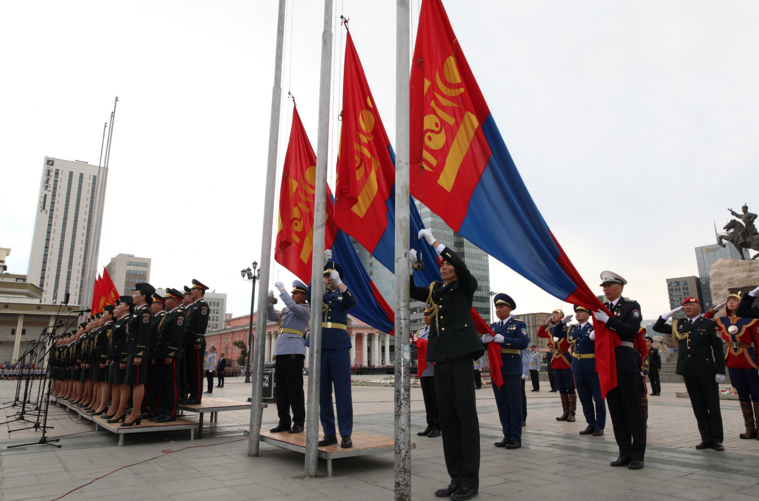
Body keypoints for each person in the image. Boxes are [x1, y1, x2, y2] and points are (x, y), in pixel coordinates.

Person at [410, 229, 484, 501]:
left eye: (448, 264)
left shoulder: (465, 286)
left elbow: (460, 266)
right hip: (440, 358)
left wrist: (435, 243)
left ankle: (470, 480)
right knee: (449, 421)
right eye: (442, 265)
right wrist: (407, 268)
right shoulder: (437, 291)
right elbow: (410, 291)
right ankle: (455, 478)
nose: (444, 267)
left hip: (461, 356)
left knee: (466, 418)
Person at [654, 297, 725, 451]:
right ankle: (706, 438)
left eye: (691, 304)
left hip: (706, 370)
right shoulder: (679, 325)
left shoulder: (709, 325)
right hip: (688, 370)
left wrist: (720, 371)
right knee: (698, 407)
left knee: (713, 406)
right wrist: (668, 314)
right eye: (685, 305)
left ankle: (717, 439)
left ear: (700, 308)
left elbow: (718, 350)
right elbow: (658, 327)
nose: (687, 307)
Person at [593, 271, 645, 469]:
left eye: (610, 286)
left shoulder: (631, 306)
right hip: (607, 362)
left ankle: (637, 454)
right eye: (604, 287)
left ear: (621, 287)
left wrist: (608, 321)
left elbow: (631, 329)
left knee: (632, 409)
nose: (606, 289)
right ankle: (624, 452)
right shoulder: (601, 308)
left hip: (624, 359)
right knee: (616, 410)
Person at [309, 252, 357, 448]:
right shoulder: (318, 294)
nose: (329, 277)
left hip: (338, 346)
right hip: (320, 347)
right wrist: (318, 268)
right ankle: (329, 433)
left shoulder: (342, 294)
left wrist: (341, 284)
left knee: (343, 392)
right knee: (322, 393)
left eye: (332, 275)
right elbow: (311, 294)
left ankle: (346, 433)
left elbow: (352, 302)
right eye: (326, 274)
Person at [706, 293, 759, 438]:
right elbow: (704, 320)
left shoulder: (750, 320)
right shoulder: (722, 320)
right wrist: (714, 310)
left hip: (748, 357)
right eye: (728, 300)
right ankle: (750, 429)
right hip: (732, 358)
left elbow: (757, 341)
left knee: (756, 392)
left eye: (735, 300)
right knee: (742, 393)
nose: (731, 302)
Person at [486, 293, 529, 449]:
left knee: (514, 403)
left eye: (501, 307)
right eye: (496, 307)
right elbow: (484, 344)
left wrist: (504, 340)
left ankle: (516, 437)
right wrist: (483, 341)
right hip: (497, 369)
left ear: (509, 308)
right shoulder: (493, 327)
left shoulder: (518, 324)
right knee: (502, 403)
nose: (498, 310)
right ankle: (506, 435)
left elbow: (524, 342)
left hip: (511, 368)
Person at [267, 280, 310, 434]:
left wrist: (282, 290)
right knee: (281, 390)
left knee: (294, 389)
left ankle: (298, 422)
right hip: (281, 352)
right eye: (291, 293)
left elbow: (292, 305)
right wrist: (269, 302)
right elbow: (272, 316)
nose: (292, 295)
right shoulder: (287, 310)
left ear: (303, 296)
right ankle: (284, 421)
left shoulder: (305, 309)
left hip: (294, 351)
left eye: (295, 293)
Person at [567, 305, 605, 436]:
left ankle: (599, 425)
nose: (578, 314)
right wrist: (561, 322)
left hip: (592, 367)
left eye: (581, 311)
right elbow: (555, 334)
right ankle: (591, 423)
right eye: (576, 312)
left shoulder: (594, 329)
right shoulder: (572, 329)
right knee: (584, 398)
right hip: (577, 367)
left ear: (588, 314)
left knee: (598, 398)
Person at [151, 288, 187, 422]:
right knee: (162, 384)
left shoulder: (179, 315)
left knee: (171, 385)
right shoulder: (168, 315)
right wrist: (156, 355)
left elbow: (176, 337)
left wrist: (170, 354)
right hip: (161, 355)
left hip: (170, 356)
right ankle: (163, 411)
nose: (165, 302)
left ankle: (171, 413)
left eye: (167, 299)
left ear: (176, 301)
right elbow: (160, 337)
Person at [121, 283, 154, 427]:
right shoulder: (137, 312)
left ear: (143, 296)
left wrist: (139, 354)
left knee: (137, 382)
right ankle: (134, 412)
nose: (133, 296)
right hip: (132, 350)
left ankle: (136, 413)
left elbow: (143, 335)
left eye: (135, 294)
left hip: (137, 352)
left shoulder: (145, 312)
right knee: (132, 382)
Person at [539, 309, 577, 422]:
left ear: (561, 318)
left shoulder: (568, 329)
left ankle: (572, 413)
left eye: (555, 315)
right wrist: (545, 324)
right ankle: (565, 412)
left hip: (565, 359)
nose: (553, 316)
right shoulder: (550, 330)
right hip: (556, 360)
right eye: (552, 315)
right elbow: (540, 334)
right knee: (561, 388)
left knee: (570, 386)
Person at [102, 296, 133, 423]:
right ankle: (114, 409)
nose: (116, 308)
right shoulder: (120, 321)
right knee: (116, 385)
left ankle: (120, 411)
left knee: (122, 385)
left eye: (119, 305)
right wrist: (111, 357)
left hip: (122, 356)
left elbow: (127, 341)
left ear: (127, 307)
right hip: (116, 356)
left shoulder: (127, 320)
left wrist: (124, 359)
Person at [411, 307, 441, 438]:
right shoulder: (420, 331)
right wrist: (411, 343)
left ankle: (437, 426)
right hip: (424, 369)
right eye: (424, 315)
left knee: (436, 399)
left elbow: (434, 345)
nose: (425, 317)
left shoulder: (438, 330)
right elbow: (416, 348)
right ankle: (430, 424)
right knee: (428, 399)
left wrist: (419, 342)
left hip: (435, 369)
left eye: (428, 315)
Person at [182, 279, 209, 405]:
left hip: (196, 343)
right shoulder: (193, 306)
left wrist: (197, 340)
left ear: (200, 291)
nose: (191, 291)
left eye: (193, 290)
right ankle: (191, 394)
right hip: (189, 343)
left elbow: (201, 325)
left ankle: (196, 396)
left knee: (196, 371)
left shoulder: (202, 306)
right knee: (189, 370)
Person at [142, 293, 166, 419]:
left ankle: (155, 409)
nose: (151, 306)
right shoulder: (154, 317)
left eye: (154, 304)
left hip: (154, 355)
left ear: (160, 305)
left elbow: (157, 339)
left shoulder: (162, 317)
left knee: (155, 384)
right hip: (150, 354)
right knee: (150, 384)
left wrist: (154, 355)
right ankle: (150, 408)